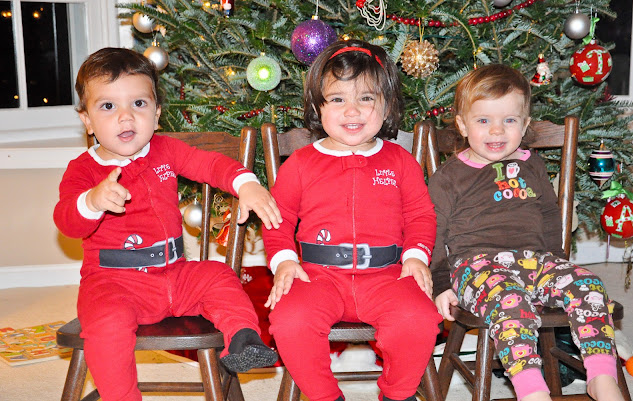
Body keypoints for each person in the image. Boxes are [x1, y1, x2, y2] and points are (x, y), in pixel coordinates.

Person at [54, 47, 282, 401]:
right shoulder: (83, 170)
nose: (126, 117)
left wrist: (245, 183)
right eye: (108, 106)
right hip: (114, 283)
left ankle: (242, 338)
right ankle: (120, 397)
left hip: (175, 274)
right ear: (87, 120)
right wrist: (92, 201)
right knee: (106, 325)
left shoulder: (167, 150)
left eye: (139, 104)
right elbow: (67, 221)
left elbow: (211, 165)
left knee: (218, 275)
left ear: (157, 114)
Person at [429, 64, 624, 401]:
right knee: (511, 303)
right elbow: (433, 232)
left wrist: (558, 262)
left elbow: (548, 215)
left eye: (509, 120)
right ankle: (531, 388)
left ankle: (601, 374)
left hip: (536, 261)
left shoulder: (532, 164)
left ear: (525, 124)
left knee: (588, 284)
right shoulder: (449, 176)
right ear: (462, 125)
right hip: (477, 267)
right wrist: (442, 284)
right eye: (483, 120)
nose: (496, 131)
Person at [261, 39, 442, 401]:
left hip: (387, 275)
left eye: (366, 98)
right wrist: (284, 262)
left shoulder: (400, 161)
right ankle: (325, 396)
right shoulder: (301, 163)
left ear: (386, 106)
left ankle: (397, 394)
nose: (352, 110)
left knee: (418, 319)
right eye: (337, 99)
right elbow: (277, 219)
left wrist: (416, 256)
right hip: (318, 277)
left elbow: (420, 215)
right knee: (290, 320)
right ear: (318, 107)